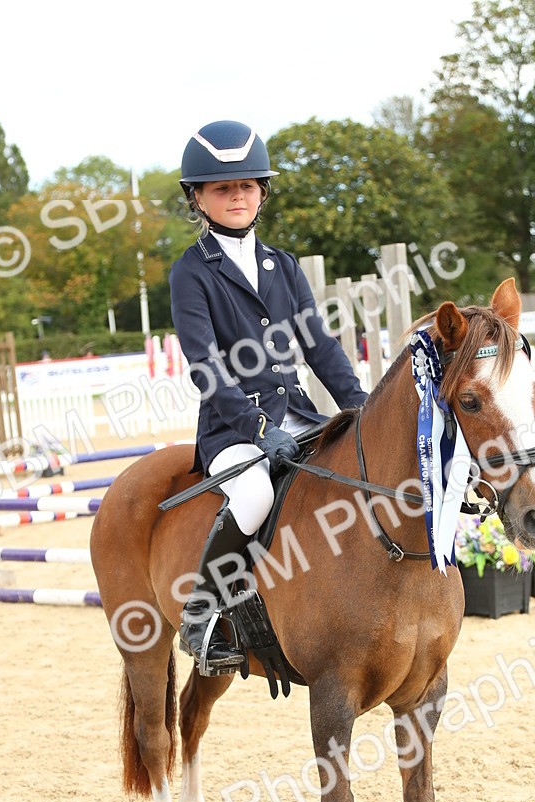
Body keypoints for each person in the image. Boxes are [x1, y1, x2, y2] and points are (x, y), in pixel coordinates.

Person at [170, 119, 368, 673]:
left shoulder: (282, 265)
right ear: (198, 198)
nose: (237, 196)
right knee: (256, 493)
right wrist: (258, 429)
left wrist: (360, 405)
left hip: (299, 416)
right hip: (232, 430)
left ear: (262, 192)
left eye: (247, 186)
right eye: (222, 188)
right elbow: (207, 367)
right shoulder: (191, 272)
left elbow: (319, 346)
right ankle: (201, 614)